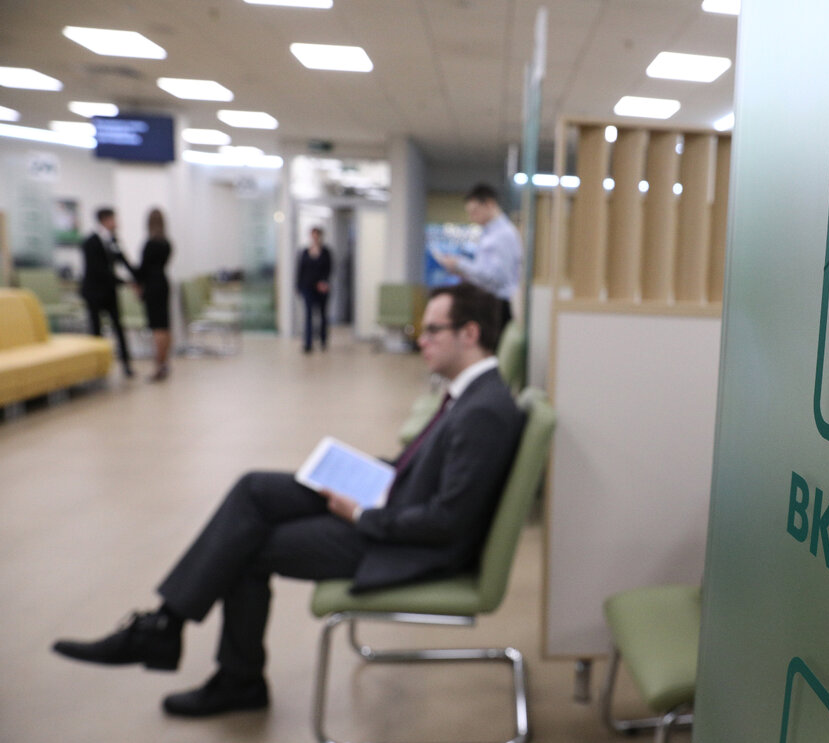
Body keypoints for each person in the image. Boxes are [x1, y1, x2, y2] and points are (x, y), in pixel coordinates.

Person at [52, 283, 523, 717]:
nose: (421, 339)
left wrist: (361, 513)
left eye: (433, 330)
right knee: (254, 489)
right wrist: (359, 474)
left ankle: (216, 666)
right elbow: (428, 475)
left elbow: (447, 522)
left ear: (470, 334)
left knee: (246, 545)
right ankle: (168, 627)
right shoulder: (472, 396)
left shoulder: (483, 411)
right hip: (394, 507)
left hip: (406, 545)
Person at [433, 183, 523, 328]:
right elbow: (485, 273)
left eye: (474, 211)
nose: (472, 218)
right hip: (490, 301)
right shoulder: (488, 233)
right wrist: (461, 271)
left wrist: (460, 264)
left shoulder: (503, 234)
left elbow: (497, 278)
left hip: (499, 305)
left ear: (489, 204)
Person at [80, 207, 136, 378]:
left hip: (109, 292)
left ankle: (126, 364)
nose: (116, 223)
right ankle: (97, 368)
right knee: (96, 330)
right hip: (94, 293)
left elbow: (123, 261)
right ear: (105, 220)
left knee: (118, 327)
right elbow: (98, 270)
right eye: (113, 219)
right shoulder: (90, 242)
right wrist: (124, 282)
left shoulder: (113, 240)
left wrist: (137, 277)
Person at [137, 208, 173, 381]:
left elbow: (142, 270)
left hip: (152, 286)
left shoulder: (150, 244)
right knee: (164, 326)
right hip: (163, 284)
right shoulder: (166, 243)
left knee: (157, 327)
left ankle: (158, 366)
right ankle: (164, 363)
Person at [296, 227, 332, 353]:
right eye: (313, 235)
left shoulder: (326, 252)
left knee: (322, 315)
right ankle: (308, 342)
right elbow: (300, 270)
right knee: (308, 315)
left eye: (317, 235)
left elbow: (329, 269)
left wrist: (324, 282)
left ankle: (323, 340)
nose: (315, 237)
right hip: (308, 287)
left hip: (321, 288)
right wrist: (298, 286)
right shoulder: (305, 252)